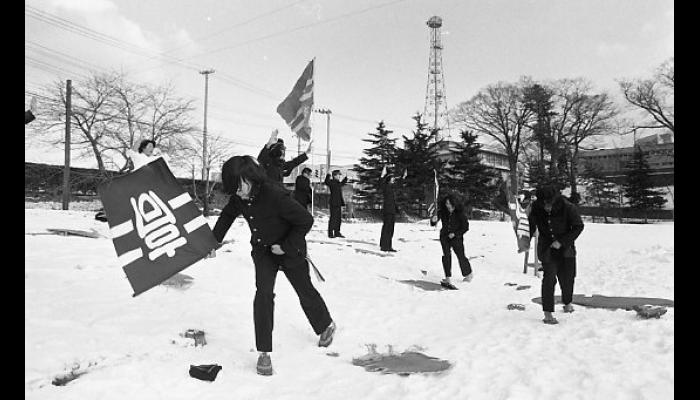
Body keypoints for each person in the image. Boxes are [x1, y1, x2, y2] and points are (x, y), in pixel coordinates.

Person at [210, 155, 336, 376]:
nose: (237, 193)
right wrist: (212, 241)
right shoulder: (239, 196)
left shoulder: (275, 195)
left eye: (240, 187)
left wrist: (285, 246)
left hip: (290, 249)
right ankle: (264, 352)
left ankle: (325, 325)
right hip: (263, 251)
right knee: (263, 294)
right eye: (234, 190)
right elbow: (228, 215)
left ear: (251, 177)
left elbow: (305, 221)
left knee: (304, 290)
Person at [528, 184, 584, 325]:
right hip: (547, 248)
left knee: (567, 279)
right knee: (549, 279)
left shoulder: (568, 207)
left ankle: (567, 302)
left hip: (566, 249)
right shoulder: (536, 207)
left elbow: (578, 226)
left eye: (549, 203)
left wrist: (562, 241)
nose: (547, 207)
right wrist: (524, 239)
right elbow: (530, 225)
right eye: (544, 203)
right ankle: (548, 313)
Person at [430, 193, 473, 286]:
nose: (447, 205)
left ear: (454, 203)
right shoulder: (442, 212)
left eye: (449, 203)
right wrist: (433, 220)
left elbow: (465, 227)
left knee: (461, 255)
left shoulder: (460, 213)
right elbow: (434, 222)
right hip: (444, 237)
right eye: (446, 203)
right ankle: (447, 277)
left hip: (456, 238)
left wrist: (455, 234)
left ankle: (468, 274)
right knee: (446, 256)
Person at [378, 166, 406, 252]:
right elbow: (381, 183)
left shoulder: (391, 187)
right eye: (392, 178)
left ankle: (386, 245)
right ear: (389, 179)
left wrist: (403, 177)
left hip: (392, 210)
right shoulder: (386, 186)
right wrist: (382, 176)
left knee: (390, 229)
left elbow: (398, 184)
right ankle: (385, 246)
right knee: (387, 228)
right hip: (388, 210)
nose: (394, 179)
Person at [324, 169, 348, 238]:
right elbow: (326, 182)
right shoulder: (332, 182)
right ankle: (330, 233)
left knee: (338, 219)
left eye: (340, 175)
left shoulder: (338, 183)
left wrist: (345, 179)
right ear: (334, 176)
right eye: (338, 175)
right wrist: (328, 175)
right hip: (333, 203)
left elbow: (341, 184)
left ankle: (337, 232)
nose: (339, 176)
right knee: (333, 218)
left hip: (338, 203)